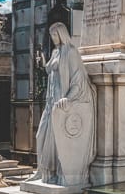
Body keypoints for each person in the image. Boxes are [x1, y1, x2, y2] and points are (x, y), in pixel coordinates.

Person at [32, 22, 96, 185]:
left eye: (55, 35)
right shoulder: (55, 52)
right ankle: (42, 171)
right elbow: (47, 69)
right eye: (51, 35)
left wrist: (69, 97)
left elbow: (78, 79)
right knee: (40, 136)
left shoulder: (71, 52)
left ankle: (52, 173)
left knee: (55, 141)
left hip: (61, 102)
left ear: (61, 34)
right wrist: (41, 60)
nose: (53, 38)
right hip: (50, 101)